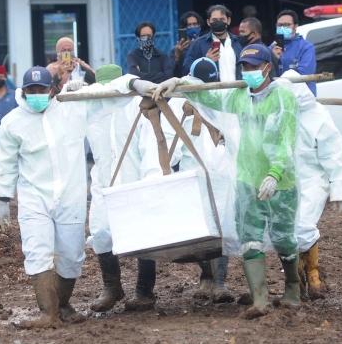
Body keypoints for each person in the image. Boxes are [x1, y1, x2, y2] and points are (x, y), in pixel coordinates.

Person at [0, 66, 156, 328]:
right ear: (23, 92)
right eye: (31, 91)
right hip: (34, 199)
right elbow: (5, 162)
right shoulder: (13, 122)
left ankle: (64, 305)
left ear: (52, 90)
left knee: (71, 256)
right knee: (38, 252)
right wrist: (2, 196)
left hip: (71, 197)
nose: (36, 95)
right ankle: (48, 312)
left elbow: (104, 91)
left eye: (41, 90)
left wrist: (134, 83)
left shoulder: (72, 108)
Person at [153, 44, 301, 317]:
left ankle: (293, 288)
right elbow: (209, 97)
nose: (249, 72)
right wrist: (180, 82)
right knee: (250, 239)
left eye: (254, 67)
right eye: (245, 67)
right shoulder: (239, 95)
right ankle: (260, 300)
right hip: (246, 179)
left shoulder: (282, 96)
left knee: (284, 240)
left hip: (280, 182)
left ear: (268, 67)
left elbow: (287, 140)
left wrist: (275, 173)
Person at [81, 65, 167, 312]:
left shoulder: (136, 106)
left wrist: (150, 179)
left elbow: (150, 146)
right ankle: (112, 287)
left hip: (133, 177)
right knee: (100, 232)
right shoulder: (91, 106)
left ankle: (144, 291)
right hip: (103, 180)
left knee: (142, 233)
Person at [167, 57, 235, 303]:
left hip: (221, 177)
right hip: (193, 178)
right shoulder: (179, 107)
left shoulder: (223, 102)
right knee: (199, 231)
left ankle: (220, 282)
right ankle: (206, 276)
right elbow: (171, 148)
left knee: (222, 230)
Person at [281, 69, 342, 300]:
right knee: (284, 232)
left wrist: (339, 187)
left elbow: (333, 153)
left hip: (314, 181)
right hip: (285, 181)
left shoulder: (317, 116)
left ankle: (313, 273)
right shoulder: (279, 115)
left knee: (303, 227)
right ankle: (296, 279)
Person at [182, 5, 243, 81]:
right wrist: (205, 62)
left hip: (237, 90)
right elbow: (186, 69)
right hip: (212, 91)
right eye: (214, 20)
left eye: (222, 19)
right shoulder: (198, 44)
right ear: (208, 22)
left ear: (228, 20)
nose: (218, 22)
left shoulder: (239, 42)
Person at [269, 9, 317, 95]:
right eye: (279, 25)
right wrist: (273, 59)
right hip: (278, 97)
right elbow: (264, 74)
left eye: (287, 25)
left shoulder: (306, 47)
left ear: (295, 26)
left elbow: (304, 73)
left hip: (302, 96)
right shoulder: (271, 48)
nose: (283, 28)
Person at [169, 11, 204, 77]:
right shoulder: (176, 50)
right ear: (184, 28)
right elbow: (170, 74)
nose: (192, 27)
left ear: (199, 26)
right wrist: (177, 56)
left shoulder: (205, 45)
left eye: (195, 24)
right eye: (189, 25)